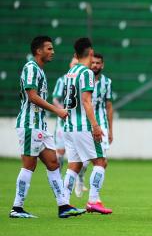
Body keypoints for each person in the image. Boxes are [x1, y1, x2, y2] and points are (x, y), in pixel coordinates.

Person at [11, 36, 83, 218]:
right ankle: (17, 208)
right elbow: (32, 96)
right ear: (38, 51)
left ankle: (63, 206)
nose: (53, 52)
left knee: (52, 162)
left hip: (40, 127)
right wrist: (57, 110)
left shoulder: (40, 71)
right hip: (29, 124)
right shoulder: (30, 68)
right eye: (49, 49)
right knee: (29, 165)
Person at [63, 37, 112, 214]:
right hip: (83, 126)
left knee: (74, 165)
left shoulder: (70, 73)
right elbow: (86, 101)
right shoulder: (87, 73)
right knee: (100, 161)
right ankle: (93, 201)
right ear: (90, 53)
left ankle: (64, 203)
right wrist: (95, 126)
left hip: (69, 126)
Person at [75, 53, 113, 198]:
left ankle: (94, 194)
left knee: (102, 161)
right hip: (85, 124)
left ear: (102, 65)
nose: (95, 65)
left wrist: (110, 130)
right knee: (84, 161)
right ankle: (80, 178)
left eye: (98, 63)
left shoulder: (107, 82)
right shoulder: (83, 78)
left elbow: (109, 106)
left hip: (101, 125)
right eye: (93, 62)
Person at [52, 57, 79, 172]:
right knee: (60, 152)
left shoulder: (83, 80)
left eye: (77, 65)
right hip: (63, 123)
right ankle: (58, 178)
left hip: (78, 123)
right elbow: (55, 100)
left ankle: (79, 179)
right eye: (73, 64)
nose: (75, 67)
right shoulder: (62, 80)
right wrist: (62, 111)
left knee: (79, 154)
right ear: (70, 65)